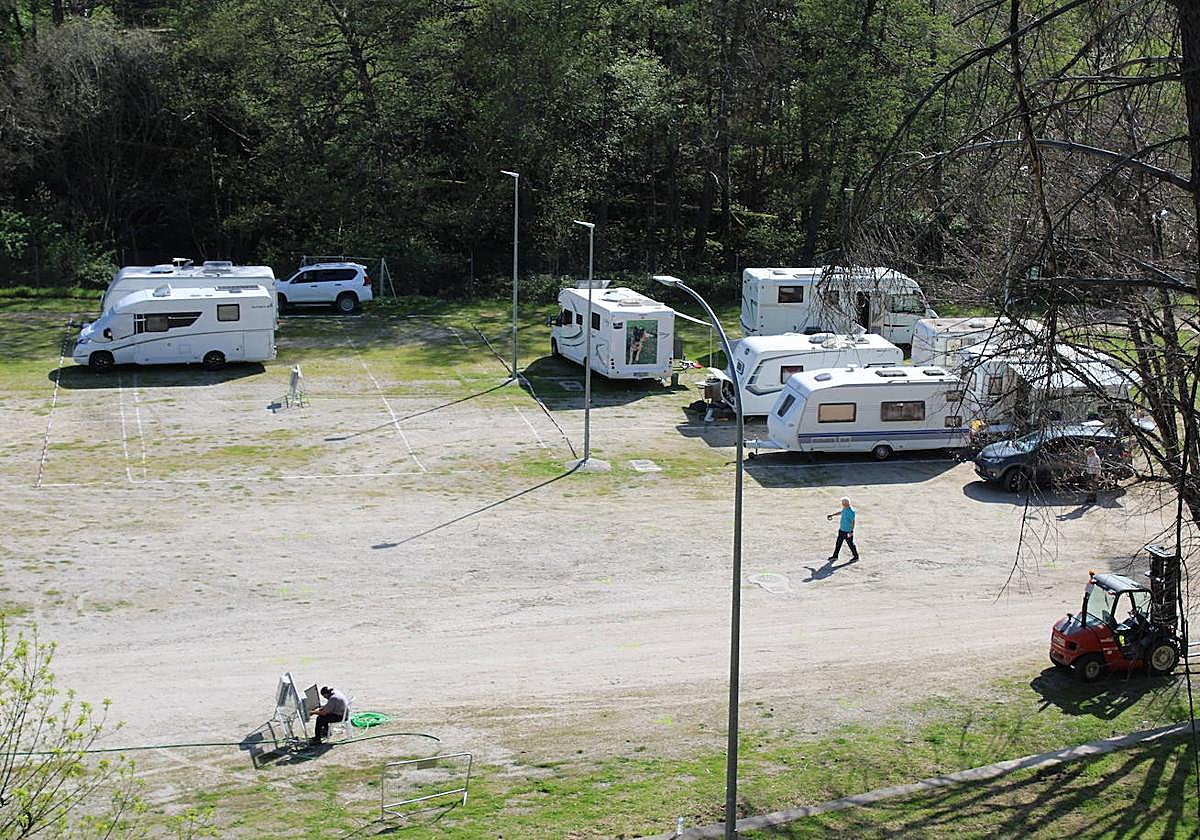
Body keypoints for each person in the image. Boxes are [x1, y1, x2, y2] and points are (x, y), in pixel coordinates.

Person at [826, 496, 859, 562]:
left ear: (845, 504)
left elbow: (853, 522)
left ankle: (856, 557)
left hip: (847, 532)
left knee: (851, 544)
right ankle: (835, 556)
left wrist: (851, 531)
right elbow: (841, 512)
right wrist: (832, 515)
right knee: (838, 543)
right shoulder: (845, 508)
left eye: (842, 503)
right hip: (841, 530)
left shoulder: (851, 512)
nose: (841, 504)